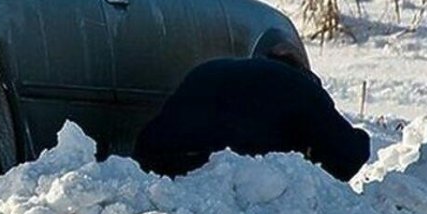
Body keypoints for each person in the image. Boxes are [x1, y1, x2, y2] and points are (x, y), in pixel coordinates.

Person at [133, 57, 370, 181]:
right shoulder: (304, 90)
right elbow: (348, 151)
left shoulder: (221, 69)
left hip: (154, 158)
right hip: (215, 169)